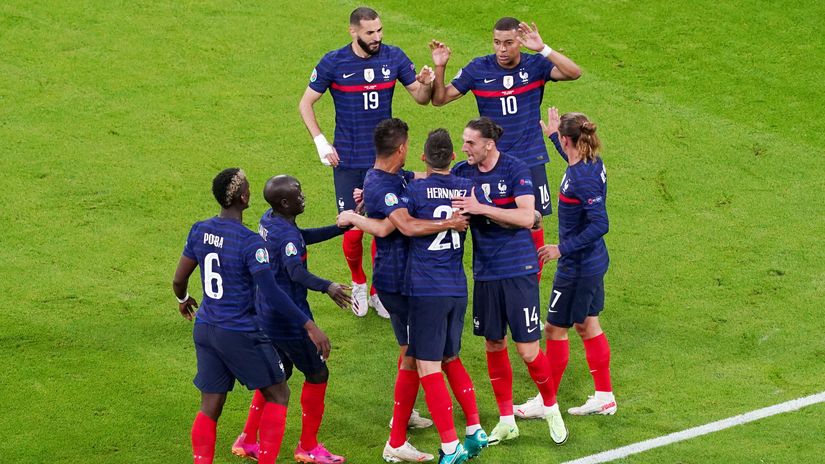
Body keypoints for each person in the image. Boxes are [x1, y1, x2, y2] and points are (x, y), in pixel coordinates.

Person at [172, 168, 331, 464]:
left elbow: (178, 281)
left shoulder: (200, 230)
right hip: (240, 332)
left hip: (205, 327)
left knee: (210, 406)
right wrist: (309, 325)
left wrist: (183, 300)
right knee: (279, 393)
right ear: (244, 198)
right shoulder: (249, 243)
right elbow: (271, 293)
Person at [338, 119, 469, 463]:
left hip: (409, 280)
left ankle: (402, 419)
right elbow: (401, 228)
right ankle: (396, 441)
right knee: (415, 356)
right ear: (400, 149)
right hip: (398, 283)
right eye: (407, 145)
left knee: (411, 354)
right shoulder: (381, 184)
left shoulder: (392, 178)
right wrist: (449, 223)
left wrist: (356, 212)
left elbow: (384, 222)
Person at [299, 6, 434, 317]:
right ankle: (359, 281)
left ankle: (377, 291)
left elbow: (420, 97)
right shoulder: (333, 62)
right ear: (353, 32)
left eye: (379, 30)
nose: (377, 37)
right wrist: (321, 141)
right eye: (370, 33)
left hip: (384, 164)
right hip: (347, 160)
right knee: (352, 226)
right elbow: (306, 103)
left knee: (383, 225)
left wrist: (425, 82)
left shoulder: (394, 57)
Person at [429, 17, 581, 280]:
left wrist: (543, 48)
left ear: (520, 42)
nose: (502, 49)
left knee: (533, 219)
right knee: (488, 219)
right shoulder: (479, 69)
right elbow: (440, 99)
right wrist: (440, 67)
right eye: (497, 43)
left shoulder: (535, 65)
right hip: (491, 162)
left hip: (530, 157)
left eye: (509, 43)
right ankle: (492, 274)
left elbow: (573, 72)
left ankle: (531, 280)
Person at [450, 117, 568, 446]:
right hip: (486, 273)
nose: (465, 148)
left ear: (489, 144)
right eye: (463, 141)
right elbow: (434, 184)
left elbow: (529, 217)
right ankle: (506, 420)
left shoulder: (515, 169)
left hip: (517, 270)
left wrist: (482, 208)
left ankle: (551, 407)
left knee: (528, 350)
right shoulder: (462, 172)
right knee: (493, 343)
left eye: (470, 142)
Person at [231, 175, 350, 464]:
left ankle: (247, 439)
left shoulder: (270, 219)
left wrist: (339, 228)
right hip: (289, 317)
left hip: (266, 312)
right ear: (285, 202)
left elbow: (300, 238)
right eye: (298, 193)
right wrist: (328, 286)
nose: (303, 196)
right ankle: (307, 447)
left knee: (277, 375)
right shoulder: (286, 235)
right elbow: (296, 271)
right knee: (318, 374)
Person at [515, 108, 616, 419]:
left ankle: (547, 403)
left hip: (578, 267)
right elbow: (575, 169)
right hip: (592, 261)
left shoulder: (582, 177)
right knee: (588, 325)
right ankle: (605, 396)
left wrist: (562, 248)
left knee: (554, 330)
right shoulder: (588, 162)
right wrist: (552, 137)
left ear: (568, 139)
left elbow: (600, 224)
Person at [404, 129, 489, 463]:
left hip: (427, 290)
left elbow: (401, 223)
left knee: (428, 366)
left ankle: (451, 446)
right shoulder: (467, 189)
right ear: (453, 157)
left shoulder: (415, 191)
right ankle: (474, 429)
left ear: (423, 158)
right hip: (457, 288)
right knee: (451, 357)